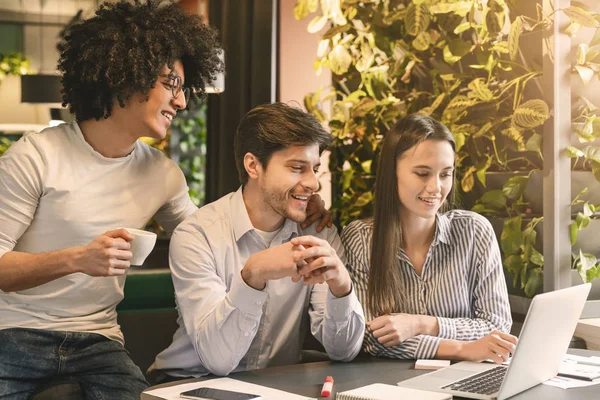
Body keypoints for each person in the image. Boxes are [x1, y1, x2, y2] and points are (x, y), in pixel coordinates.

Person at [0, 1, 223, 398]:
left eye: (183, 88)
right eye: (170, 83)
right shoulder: (34, 157)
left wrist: (289, 209)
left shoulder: (163, 174)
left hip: (99, 341)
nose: (182, 101)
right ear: (126, 76)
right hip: (13, 333)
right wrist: (78, 258)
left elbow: (210, 240)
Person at [150, 102, 365, 381]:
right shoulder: (197, 235)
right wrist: (253, 275)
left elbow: (344, 351)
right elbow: (218, 361)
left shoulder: (318, 231)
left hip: (272, 385)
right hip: (188, 381)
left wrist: (342, 287)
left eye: (314, 168)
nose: (313, 183)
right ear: (253, 165)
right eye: (298, 168)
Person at [341, 114, 517, 364]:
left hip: (465, 378)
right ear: (392, 174)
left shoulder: (475, 231)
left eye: (445, 174)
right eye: (422, 173)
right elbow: (369, 338)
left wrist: (421, 324)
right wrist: (461, 349)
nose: (436, 188)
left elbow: (497, 328)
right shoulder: (360, 238)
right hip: (394, 385)